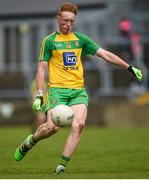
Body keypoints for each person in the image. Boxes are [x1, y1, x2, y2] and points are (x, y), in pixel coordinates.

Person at [14, 2, 142, 174]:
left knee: (79, 124)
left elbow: (105, 54)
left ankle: (61, 166)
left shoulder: (81, 40)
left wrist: (129, 67)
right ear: (58, 19)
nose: (68, 24)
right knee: (51, 128)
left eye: (71, 21)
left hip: (78, 91)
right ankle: (30, 142)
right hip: (57, 90)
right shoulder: (49, 41)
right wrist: (39, 94)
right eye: (65, 20)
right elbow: (41, 69)